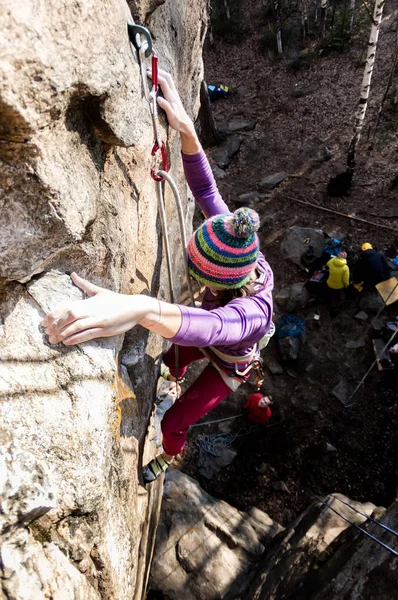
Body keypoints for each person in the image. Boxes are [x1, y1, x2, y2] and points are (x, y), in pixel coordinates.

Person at [41, 69, 274, 484]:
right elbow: (206, 193)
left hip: (231, 364)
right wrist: (187, 130)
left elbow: (215, 326)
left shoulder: (253, 312)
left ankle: (168, 455)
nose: (195, 276)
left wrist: (138, 307)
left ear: (223, 277)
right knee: (170, 358)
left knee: (175, 423)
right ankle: (175, 375)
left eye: (201, 273)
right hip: (213, 337)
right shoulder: (234, 240)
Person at [325, 250, 349, 316]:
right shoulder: (345, 268)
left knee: (331, 295)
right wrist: (347, 286)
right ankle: (338, 306)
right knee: (338, 296)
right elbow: (345, 280)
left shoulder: (332, 261)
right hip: (339, 286)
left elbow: (327, 264)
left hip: (329, 283)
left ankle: (329, 303)